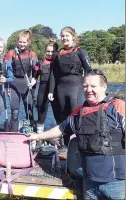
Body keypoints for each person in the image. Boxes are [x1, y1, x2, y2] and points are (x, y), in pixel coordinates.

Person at [27, 69, 125, 200]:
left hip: (116, 182)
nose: (88, 89)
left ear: (104, 87)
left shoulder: (118, 106)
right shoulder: (80, 112)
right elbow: (60, 129)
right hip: (90, 181)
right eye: (85, 86)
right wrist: (37, 136)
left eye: (93, 86)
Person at [48, 26, 92, 148]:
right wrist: (51, 91)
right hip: (60, 89)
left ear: (73, 36)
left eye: (67, 35)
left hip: (76, 87)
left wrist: (89, 87)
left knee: (76, 115)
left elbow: (89, 70)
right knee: (63, 118)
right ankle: (66, 146)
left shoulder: (80, 51)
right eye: (62, 36)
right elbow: (53, 74)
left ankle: (79, 145)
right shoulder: (59, 54)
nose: (64, 38)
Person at [5, 29, 38, 132]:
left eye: (24, 42)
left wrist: (34, 80)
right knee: (14, 112)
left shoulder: (32, 54)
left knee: (29, 111)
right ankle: (14, 134)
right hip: (14, 85)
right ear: (17, 41)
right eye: (20, 42)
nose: (22, 44)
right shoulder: (11, 53)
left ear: (28, 42)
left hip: (27, 85)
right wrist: (7, 87)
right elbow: (6, 71)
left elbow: (37, 70)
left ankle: (32, 135)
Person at [34, 39, 59, 135]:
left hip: (55, 90)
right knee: (41, 110)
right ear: (45, 51)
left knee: (58, 112)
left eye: (52, 51)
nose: (50, 53)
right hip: (42, 89)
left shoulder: (58, 63)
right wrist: (32, 82)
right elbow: (35, 77)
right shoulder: (39, 63)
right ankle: (40, 133)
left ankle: (60, 134)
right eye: (48, 51)